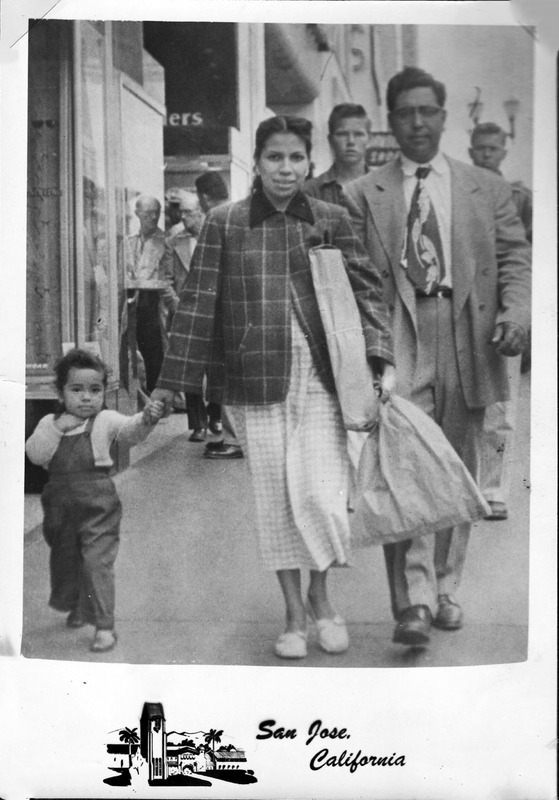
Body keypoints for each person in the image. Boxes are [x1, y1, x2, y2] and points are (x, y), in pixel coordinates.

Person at [153, 115, 395, 659]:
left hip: (323, 380)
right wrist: (171, 385)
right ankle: (293, 615)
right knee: (276, 501)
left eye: (295, 158)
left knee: (320, 494)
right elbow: (196, 306)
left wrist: (380, 357)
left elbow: (369, 292)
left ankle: (321, 597)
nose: (285, 169)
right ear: (257, 163)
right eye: (274, 158)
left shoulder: (331, 217)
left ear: (309, 163)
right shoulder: (224, 222)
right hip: (253, 382)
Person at [344, 67, 531, 647]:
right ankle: (413, 603)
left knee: (458, 464)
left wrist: (516, 314)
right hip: (401, 327)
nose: (418, 122)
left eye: (427, 112)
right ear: (391, 121)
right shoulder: (364, 192)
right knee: (406, 462)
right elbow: (355, 277)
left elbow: (514, 262)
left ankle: (446, 588)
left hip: (468, 331)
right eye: (406, 113)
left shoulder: (486, 187)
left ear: (444, 118)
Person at [25, 348, 164, 653]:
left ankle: (104, 626)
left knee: (96, 561)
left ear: (103, 391)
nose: (86, 397)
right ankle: (78, 604)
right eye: (77, 390)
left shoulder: (105, 420)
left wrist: (147, 419)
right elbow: (35, 454)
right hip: (59, 506)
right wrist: (55, 428)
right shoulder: (50, 422)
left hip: (99, 503)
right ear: (61, 394)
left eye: (95, 390)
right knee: (67, 559)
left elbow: (131, 431)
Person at [468, 122, 533, 521]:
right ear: (471, 150)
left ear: (504, 151)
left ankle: (493, 491)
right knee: (464, 406)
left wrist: (521, 316)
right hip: (465, 309)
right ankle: (466, 486)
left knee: (502, 409)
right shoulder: (458, 192)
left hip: (504, 309)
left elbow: (528, 260)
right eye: (481, 149)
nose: (487, 154)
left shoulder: (520, 199)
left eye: (494, 148)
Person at [194, 172, 244, 460]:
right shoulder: (239, 213)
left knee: (225, 378)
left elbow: (209, 272)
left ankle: (235, 440)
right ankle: (232, 435)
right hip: (240, 310)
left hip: (224, 312)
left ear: (203, 196)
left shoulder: (216, 217)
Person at [166, 190, 220, 439]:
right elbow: (166, 279)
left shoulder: (217, 238)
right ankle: (198, 424)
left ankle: (216, 417)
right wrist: (177, 304)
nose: (182, 216)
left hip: (214, 311)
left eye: (188, 212)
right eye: (182, 212)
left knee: (216, 367)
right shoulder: (174, 241)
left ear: (202, 212)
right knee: (190, 367)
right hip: (186, 311)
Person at [123, 195, 175, 394]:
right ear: (137, 213)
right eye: (148, 213)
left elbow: (168, 276)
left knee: (154, 352)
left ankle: (156, 396)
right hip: (131, 302)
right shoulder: (129, 242)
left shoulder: (165, 241)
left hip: (153, 303)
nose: (153, 217)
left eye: (156, 212)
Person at [304, 103, 371, 206]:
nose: (351, 141)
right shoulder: (310, 191)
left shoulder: (385, 188)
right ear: (330, 140)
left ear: (369, 139)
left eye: (358, 134)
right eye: (342, 134)